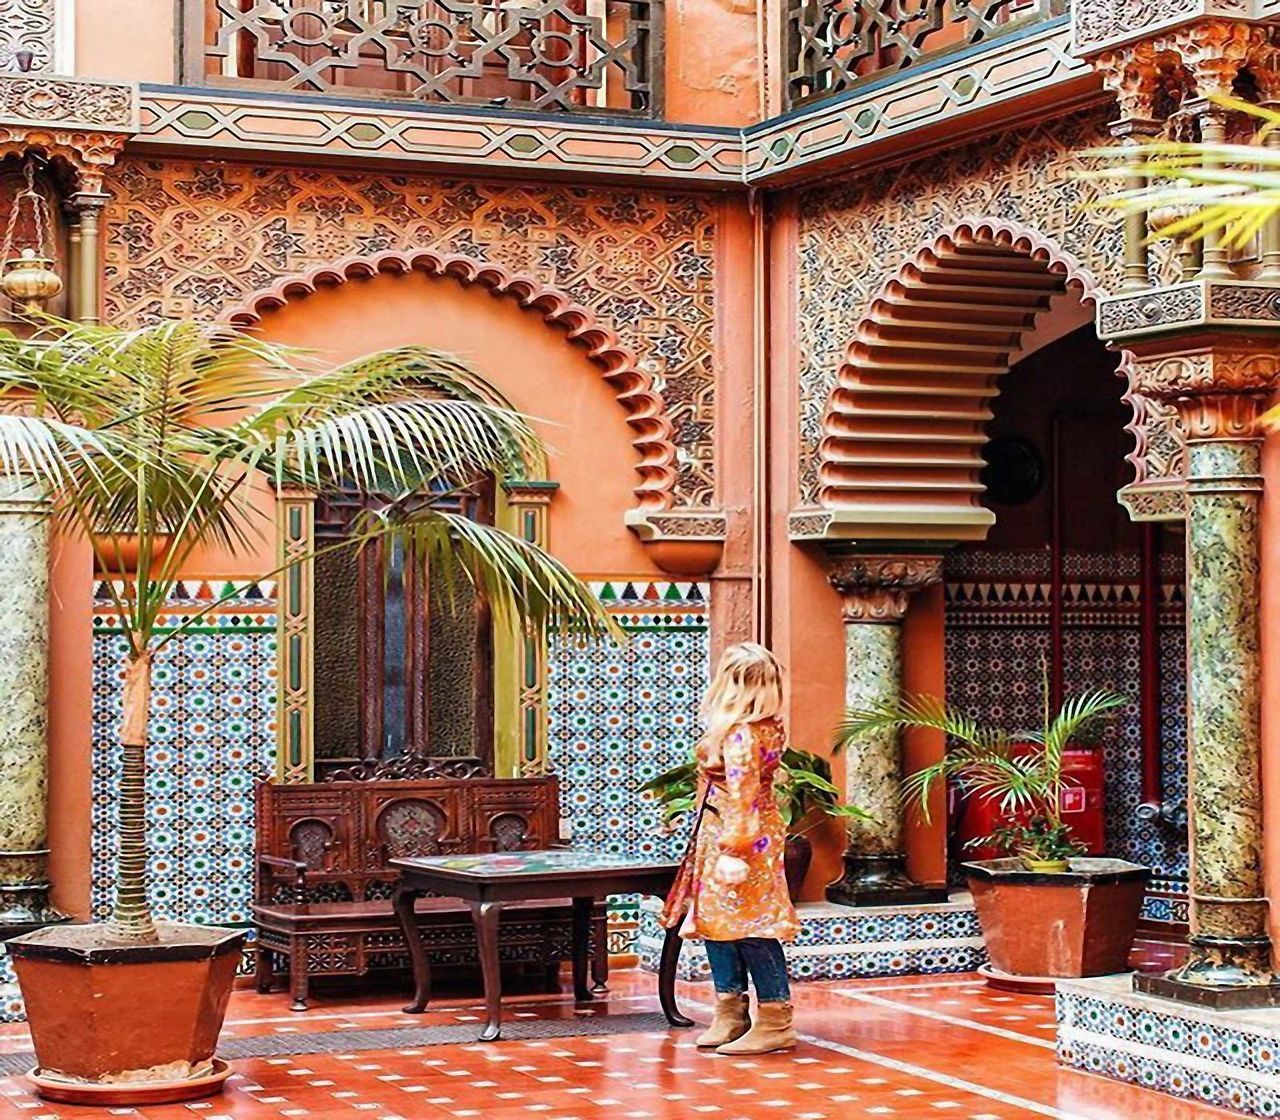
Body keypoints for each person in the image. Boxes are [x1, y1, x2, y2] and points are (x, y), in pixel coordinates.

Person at [660, 642, 800, 1054]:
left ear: (733, 683)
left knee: (751, 927)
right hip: (732, 832)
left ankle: (775, 1020)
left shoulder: (742, 733)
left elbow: (743, 794)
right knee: (719, 924)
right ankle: (730, 1011)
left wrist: (733, 850)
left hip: (739, 837)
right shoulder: (765, 725)